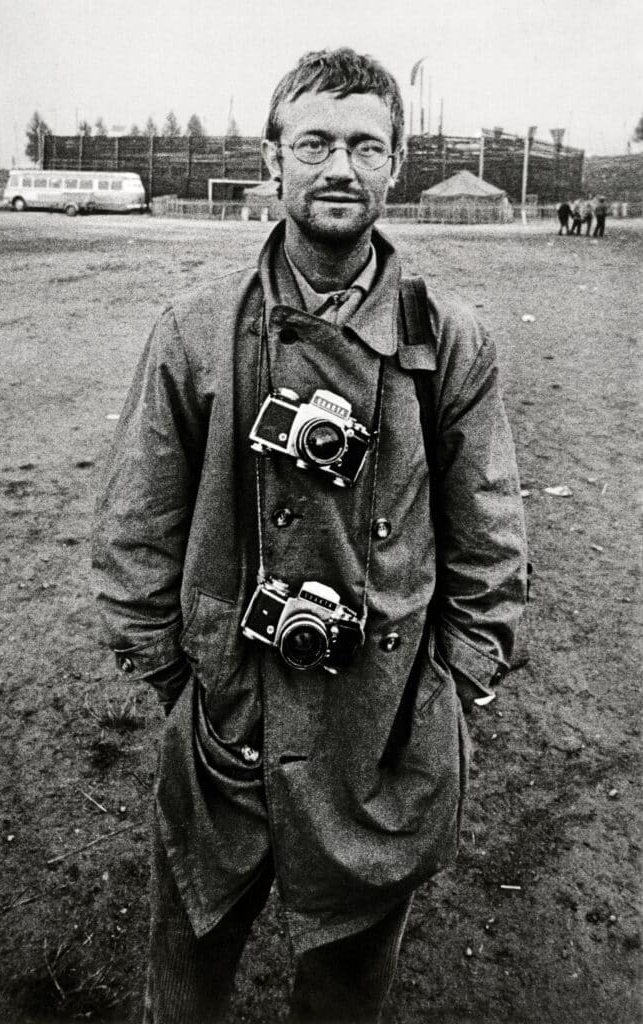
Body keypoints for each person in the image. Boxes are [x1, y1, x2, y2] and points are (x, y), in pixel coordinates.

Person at [92, 47, 528, 1024]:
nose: (339, 166)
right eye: (316, 142)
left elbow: (492, 545)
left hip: (379, 737)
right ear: (273, 159)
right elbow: (134, 534)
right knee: (185, 977)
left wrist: (442, 692)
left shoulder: (448, 341)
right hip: (225, 734)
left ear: (397, 162)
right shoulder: (197, 330)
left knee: (345, 994)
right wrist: (191, 686)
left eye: (364, 145)